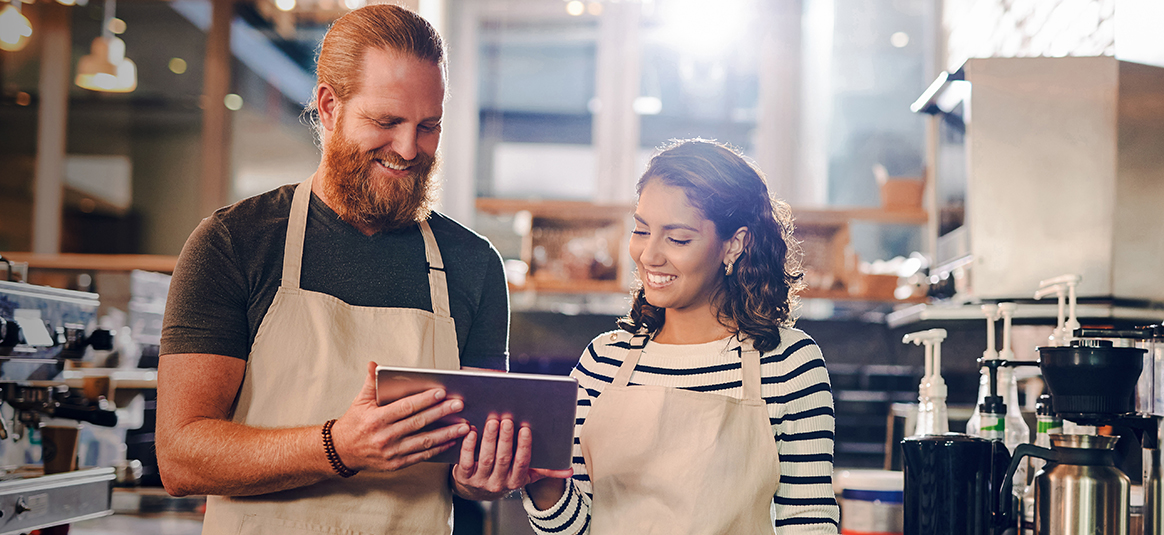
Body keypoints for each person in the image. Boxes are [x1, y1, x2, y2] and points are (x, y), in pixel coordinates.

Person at [155, 6, 558, 534]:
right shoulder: (234, 243)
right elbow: (181, 457)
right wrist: (338, 446)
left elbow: (467, 462)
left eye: (428, 126)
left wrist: (483, 475)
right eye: (386, 121)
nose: (409, 148)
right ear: (328, 105)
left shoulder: (473, 264)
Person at [518, 139, 841, 534]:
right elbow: (579, 528)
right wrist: (545, 487)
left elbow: (809, 523)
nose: (649, 255)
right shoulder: (603, 361)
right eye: (641, 230)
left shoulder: (789, 363)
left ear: (734, 244)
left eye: (678, 239)